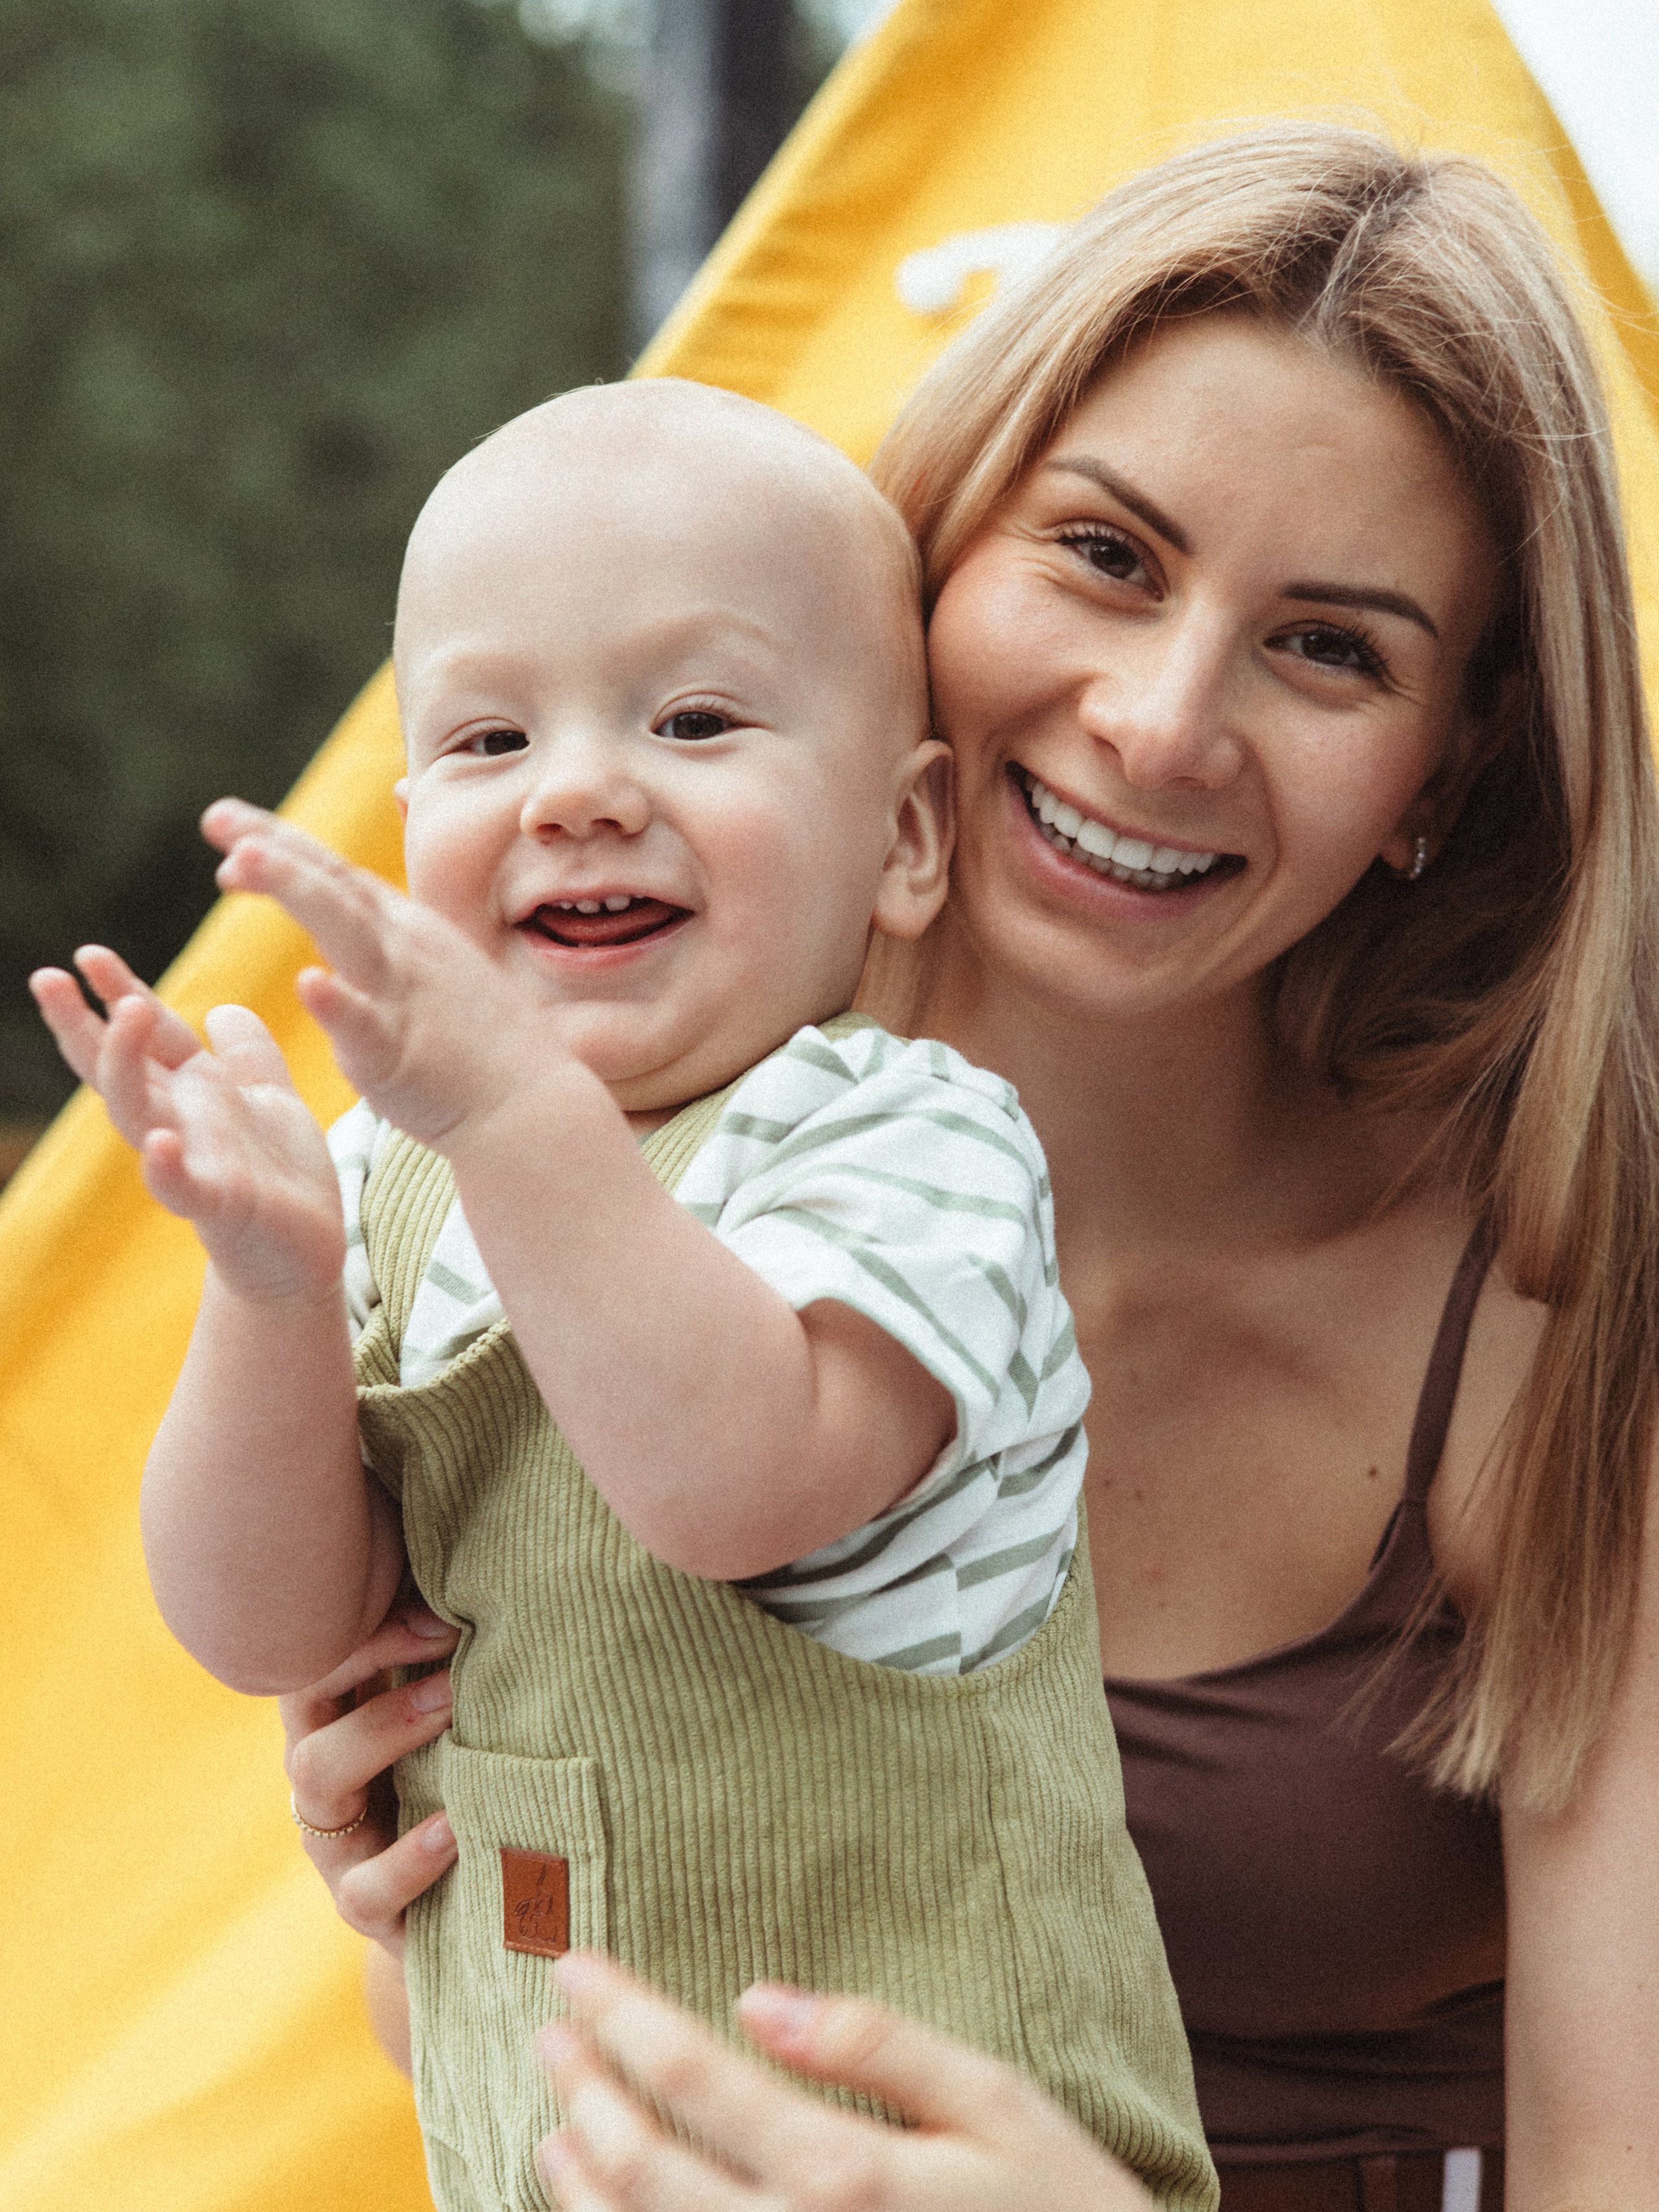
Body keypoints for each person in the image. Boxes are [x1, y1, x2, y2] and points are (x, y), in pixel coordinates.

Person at [283, 121, 1659, 2209]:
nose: (1162, 720)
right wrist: (420, 1892)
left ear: (1440, 774)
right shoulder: (571, 1160)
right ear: (925, 561)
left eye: (1332, 647)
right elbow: (524, 2058)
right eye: (1105, 555)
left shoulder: (1560, 1326)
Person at [31, 381, 1215, 2212]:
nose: (583, 790)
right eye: (492, 739)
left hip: (925, 2164)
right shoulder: (391, 1180)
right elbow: (274, 1629)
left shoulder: (910, 1144)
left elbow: (734, 1486)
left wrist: (512, 1111)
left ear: (905, 842)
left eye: (696, 718)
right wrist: (268, 1293)